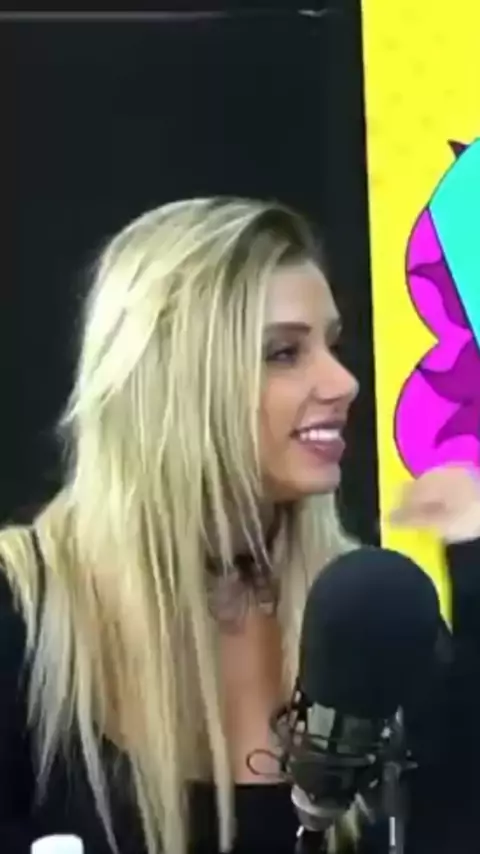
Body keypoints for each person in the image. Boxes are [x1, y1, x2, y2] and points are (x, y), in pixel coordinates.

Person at [0, 197, 479, 854]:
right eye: (283, 352)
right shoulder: (25, 613)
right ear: (169, 381)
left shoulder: (367, 620)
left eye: (331, 344)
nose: (343, 382)